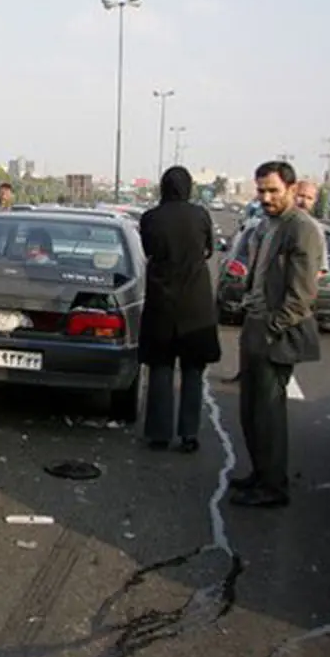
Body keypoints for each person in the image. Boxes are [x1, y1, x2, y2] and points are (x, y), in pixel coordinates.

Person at [231, 160, 323, 508]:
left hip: (275, 332)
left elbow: (302, 296)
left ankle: (273, 486)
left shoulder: (301, 228)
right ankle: (260, 473)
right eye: (261, 190)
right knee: (250, 411)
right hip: (254, 324)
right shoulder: (267, 225)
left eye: (273, 190)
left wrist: (271, 328)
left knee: (268, 414)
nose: (266, 197)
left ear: (291, 188)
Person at [138, 166, 222, 453]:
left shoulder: (150, 218)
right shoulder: (200, 215)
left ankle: (159, 433)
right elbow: (209, 250)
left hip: (162, 300)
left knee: (160, 367)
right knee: (192, 370)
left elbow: (147, 250)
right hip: (195, 302)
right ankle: (189, 434)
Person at [293, 180, 330, 273]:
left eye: (309, 198)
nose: (304, 201)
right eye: (301, 196)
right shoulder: (276, 222)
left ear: (314, 201)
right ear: (292, 194)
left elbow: (322, 268)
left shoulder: (315, 228)